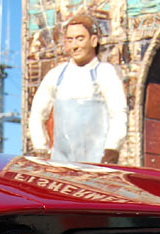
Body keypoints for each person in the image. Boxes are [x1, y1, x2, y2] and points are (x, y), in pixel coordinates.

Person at [28, 14, 127, 164]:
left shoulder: (105, 73)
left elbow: (118, 113)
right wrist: (40, 148)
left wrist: (111, 150)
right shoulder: (56, 75)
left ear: (93, 41)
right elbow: (37, 114)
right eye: (70, 40)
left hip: (97, 163)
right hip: (61, 163)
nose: (74, 45)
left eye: (80, 39)